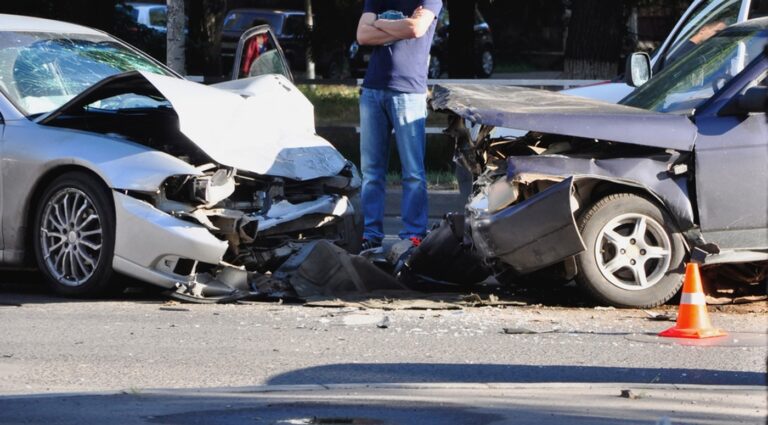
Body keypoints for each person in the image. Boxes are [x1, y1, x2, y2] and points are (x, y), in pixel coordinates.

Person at [356, 0, 443, 253]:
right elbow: (362, 35)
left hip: (409, 93)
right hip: (372, 91)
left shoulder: (430, 0)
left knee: (413, 172)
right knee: (371, 172)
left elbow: (416, 29)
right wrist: (399, 26)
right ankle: (370, 234)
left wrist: (379, 23)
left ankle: (413, 235)